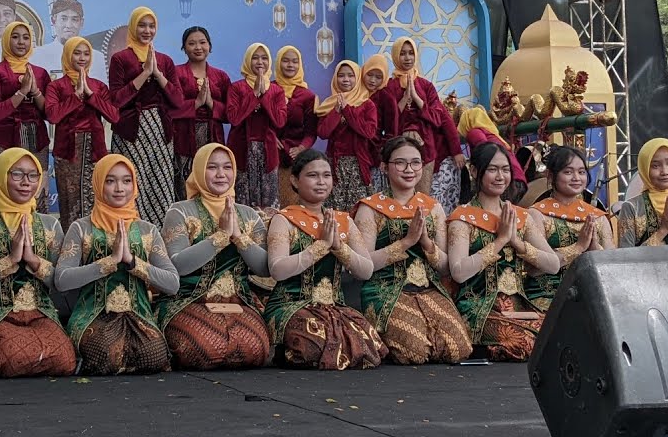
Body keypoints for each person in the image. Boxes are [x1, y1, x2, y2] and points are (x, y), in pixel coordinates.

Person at [55, 155, 180, 375]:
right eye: (110, 181)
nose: (119, 188)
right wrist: (109, 262)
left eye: (126, 181)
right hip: (93, 315)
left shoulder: (147, 230)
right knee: (103, 351)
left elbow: (172, 284)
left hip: (137, 315)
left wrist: (133, 262)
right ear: (98, 184)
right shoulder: (81, 228)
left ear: (135, 185)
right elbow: (62, 280)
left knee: (154, 354)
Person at [0, 147, 75, 378]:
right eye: (17, 174)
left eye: (33, 176)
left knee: (65, 360)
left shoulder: (49, 225)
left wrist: (33, 260)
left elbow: (61, 282)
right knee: (14, 357)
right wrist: (9, 261)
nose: (25, 182)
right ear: (1, 176)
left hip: (40, 313)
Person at [263, 149, 386, 370]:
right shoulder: (284, 219)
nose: (321, 182)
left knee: (367, 339)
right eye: (312, 175)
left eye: (326, 175)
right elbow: (277, 269)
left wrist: (338, 246)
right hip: (291, 305)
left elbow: (366, 270)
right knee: (313, 337)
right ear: (294, 180)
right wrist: (320, 247)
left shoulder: (342, 221)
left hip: (333, 307)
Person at [355, 135, 473, 365]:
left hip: (427, 289)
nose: (409, 169)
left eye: (416, 162)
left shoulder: (433, 207)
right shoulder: (370, 208)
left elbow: (445, 268)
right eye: (400, 163)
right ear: (384, 166)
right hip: (385, 290)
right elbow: (364, 266)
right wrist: (406, 242)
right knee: (414, 352)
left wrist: (427, 244)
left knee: (458, 349)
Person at [157, 143, 271, 370]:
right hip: (189, 301)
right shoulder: (180, 211)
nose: (221, 174)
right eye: (212, 167)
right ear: (199, 170)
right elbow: (177, 265)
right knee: (202, 348)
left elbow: (265, 269)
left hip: (238, 302)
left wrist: (238, 237)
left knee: (255, 349)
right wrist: (219, 237)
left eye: (227, 167)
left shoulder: (248, 214)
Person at [448, 142, 560, 362]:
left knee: (559, 334)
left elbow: (553, 264)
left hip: (520, 307)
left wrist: (517, 243)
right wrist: (500, 241)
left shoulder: (519, 216)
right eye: (492, 169)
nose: (500, 176)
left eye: (505, 169)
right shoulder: (463, 217)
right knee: (528, 343)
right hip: (479, 308)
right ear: (474, 171)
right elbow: (458, 272)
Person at [108, 6, 184, 227]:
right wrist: (144, 75)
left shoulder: (165, 60)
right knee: (131, 181)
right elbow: (116, 101)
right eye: (142, 25)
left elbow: (178, 101)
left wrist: (157, 74)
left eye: (151, 26)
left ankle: (160, 237)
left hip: (160, 131)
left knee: (159, 184)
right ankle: (130, 232)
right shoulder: (120, 59)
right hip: (130, 131)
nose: (147, 30)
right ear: (133, 27)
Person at [45, 36, 120, 230]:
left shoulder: (98, 86)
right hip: (68, 151)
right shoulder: (56, 86)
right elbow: (52, 116)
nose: (82, 58)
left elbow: (114, 116)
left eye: (86, 53)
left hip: (95, 150)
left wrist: (91, 96)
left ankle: (96, 244)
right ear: (68, 55)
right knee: (70, 201)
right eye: (77, 53)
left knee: (97, 198)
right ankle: (72, 248)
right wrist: (76, 96)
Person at [529, 146, 613, 311]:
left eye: (581, 172)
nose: (576, 178)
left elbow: (611, 267)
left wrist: (594, 246)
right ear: (551, 176)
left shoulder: (598, 217)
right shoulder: (536, 214)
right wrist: (578, 247)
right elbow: (534, 268)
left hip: (590, 297)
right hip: (545, 298)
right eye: (568, 172)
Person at [385, 37, 460, 194]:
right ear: (395, 56)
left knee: (422, 194)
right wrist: (404, 99)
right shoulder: (389, 87)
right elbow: (387, 121)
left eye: (411, 53)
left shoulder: (426, 86)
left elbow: (440, 118)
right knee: (400, 193)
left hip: (426, 147)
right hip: (398, 148)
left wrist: (418, 99)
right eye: (403, 53)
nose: (407, 58)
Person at [169, 26, 230, 200]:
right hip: (183, 137)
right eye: (192, 43)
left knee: (212, 179)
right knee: (183, 184)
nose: (198, 47)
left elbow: (231, 114)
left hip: (212, 135)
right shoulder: (176, 73)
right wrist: (195, 104)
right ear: (184, 48)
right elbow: (168, 108)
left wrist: (211, 104)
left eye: (202, 42)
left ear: (210, 46)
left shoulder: (221, 77)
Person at [0, 20, 51, 175]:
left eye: (26, 38)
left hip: (37, 139)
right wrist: (21, 92)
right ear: (7, 40)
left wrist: (35, 92)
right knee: (7, 189)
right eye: (15, 37)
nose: (21, 42)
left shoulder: (40, 73)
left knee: (37, 189)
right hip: (4, 139)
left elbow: (50, 115)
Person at [227, 43, 288, 212]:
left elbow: (280, 121)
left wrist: (265, 95)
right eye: (255, 57)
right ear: (247, 60)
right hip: (242, 149)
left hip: (267, 150)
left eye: (264, 58)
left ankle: (269, 232)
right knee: (242, 196)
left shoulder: (276, 91)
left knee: (269, 198)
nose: (260, 62)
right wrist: (253, 95)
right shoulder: (236, 87)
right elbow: (234, 118)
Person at [316, 60, 378, 212]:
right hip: (334, 164)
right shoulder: (329, 104)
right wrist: (336, 111)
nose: (345, 79)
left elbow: (368, 132)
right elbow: (323, 133)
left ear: (357, 78)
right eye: (341, 75)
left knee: (356, 210)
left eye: (351, 76)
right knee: (334, 209)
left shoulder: (367, 104)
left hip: (357, 165)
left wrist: (347, 110)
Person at [273, 45, 318, 207]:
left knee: (293, 204)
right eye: (285, 61)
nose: (290, 65)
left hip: (295, 159)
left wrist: (301, 148)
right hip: (271, 156)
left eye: (294, 61)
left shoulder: (307, 96)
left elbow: (311, 132)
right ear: (278, 63)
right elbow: (259, 122)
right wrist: (270, 137)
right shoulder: (269, 89)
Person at [32, 0, 108, 79]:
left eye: (74, 19)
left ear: (81, 23)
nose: (69, 25)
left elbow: (102, 90)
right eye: (63, 19)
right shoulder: (37, 55)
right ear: (53, 20)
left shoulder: (97, 58)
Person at [361, 54, 397, 192]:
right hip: (353, 153)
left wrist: (383, 155)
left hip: (374, 155)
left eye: (378, 77)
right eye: (370, 74)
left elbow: (391, 131)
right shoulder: (356, 93)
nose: (372, 80)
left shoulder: (386, 97)